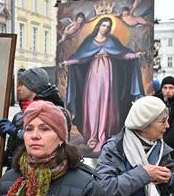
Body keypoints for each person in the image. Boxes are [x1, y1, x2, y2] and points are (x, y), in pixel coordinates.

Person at [61, 16, 145, 153]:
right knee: (92, 105)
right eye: (103, 25)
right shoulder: (89, 41)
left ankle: (102, 137)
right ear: (98, 25)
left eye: (108, 26)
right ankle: (92, 136)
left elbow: (122, 54)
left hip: (108, 75)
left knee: (105, 104)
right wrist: (68, 62)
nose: (105, 28)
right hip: (92, 75)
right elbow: (80, 57)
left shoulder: (111, 40)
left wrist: (134, 55)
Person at [0, 67, 51, 168]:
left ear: (34, 86)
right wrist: (0, 157)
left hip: (38, 173)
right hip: (15, 172)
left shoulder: (52, 112)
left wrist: (16, 132)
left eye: (23, 84)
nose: (18, 88)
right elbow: (13, 150)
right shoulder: (19, 116)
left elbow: (43, 139)